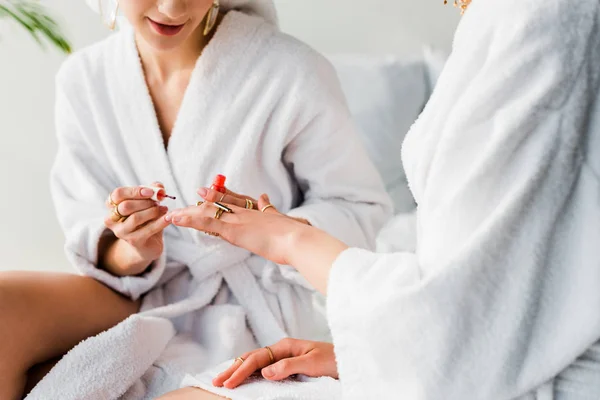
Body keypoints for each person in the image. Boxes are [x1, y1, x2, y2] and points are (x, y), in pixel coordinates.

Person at [163, 0, 600, 398]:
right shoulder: (505, 20)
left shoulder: (541, 23)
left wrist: (289, 241)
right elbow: (508, 283)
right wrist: (359, 352)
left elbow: (459, 327)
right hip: (466, 350)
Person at [0, 0, 392, 399]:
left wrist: (273, 232)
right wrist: (132, 246)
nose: (172, 7)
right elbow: (94, 239)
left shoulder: (290, 71)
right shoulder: (84, 80)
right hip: (134, 295)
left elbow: (358, 207)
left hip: (253, 306)